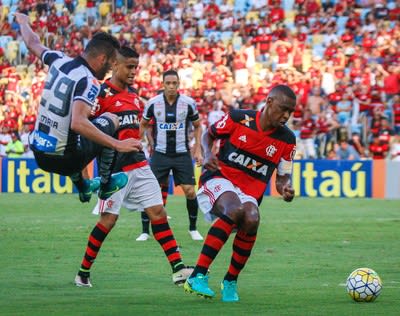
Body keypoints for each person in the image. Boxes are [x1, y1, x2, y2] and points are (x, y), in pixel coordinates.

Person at [74, 47, 193, 287]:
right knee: (108, 222)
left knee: (158, 212)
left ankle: (178, 269)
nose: (133, 72)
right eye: (129, 67)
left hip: (139, 165)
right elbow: (86, 133)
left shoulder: (135, 97)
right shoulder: (100, 94)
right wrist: (85, 174)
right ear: (114, 65)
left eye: (135, 67)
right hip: (113, 171)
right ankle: (83, 272)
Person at [184, 85, 297, 302]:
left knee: (252, 218)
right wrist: (207, 154)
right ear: (269, 102)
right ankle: (197, 276)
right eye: (283, 109)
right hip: (219, 178)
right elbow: (209, 135)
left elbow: (283, 176)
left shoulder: (288, 140)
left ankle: (230, 281)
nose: (286, 116)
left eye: (290, 112)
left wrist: (285, 188)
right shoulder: (238, 118)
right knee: (234, 208)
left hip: (249, 193)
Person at [14, 12, 142, 203]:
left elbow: (32, 43)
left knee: (80, 123)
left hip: (39, 153)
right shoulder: (88, 80)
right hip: (66, 159)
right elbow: (78, 123)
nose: (111, 69)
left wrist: (23, 22)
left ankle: (83, 186)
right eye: (111, 64)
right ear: (101, 59)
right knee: (111, 118)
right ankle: (106, 184)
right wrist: (117, 144)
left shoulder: (58, 59)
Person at [138, 69, 204, 241]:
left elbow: (198, 125)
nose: (171, 86)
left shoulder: (188, 103)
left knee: (190, 191)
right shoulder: (153, 103)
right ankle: (145, 231)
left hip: (182, 154)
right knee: (149, 191)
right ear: (163, 84)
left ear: (179, 84)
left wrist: (197, 148)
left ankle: (193, 228)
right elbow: (143, 124)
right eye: (168, 83)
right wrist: (139, 144)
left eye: (174, 83)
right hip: (160, 154)